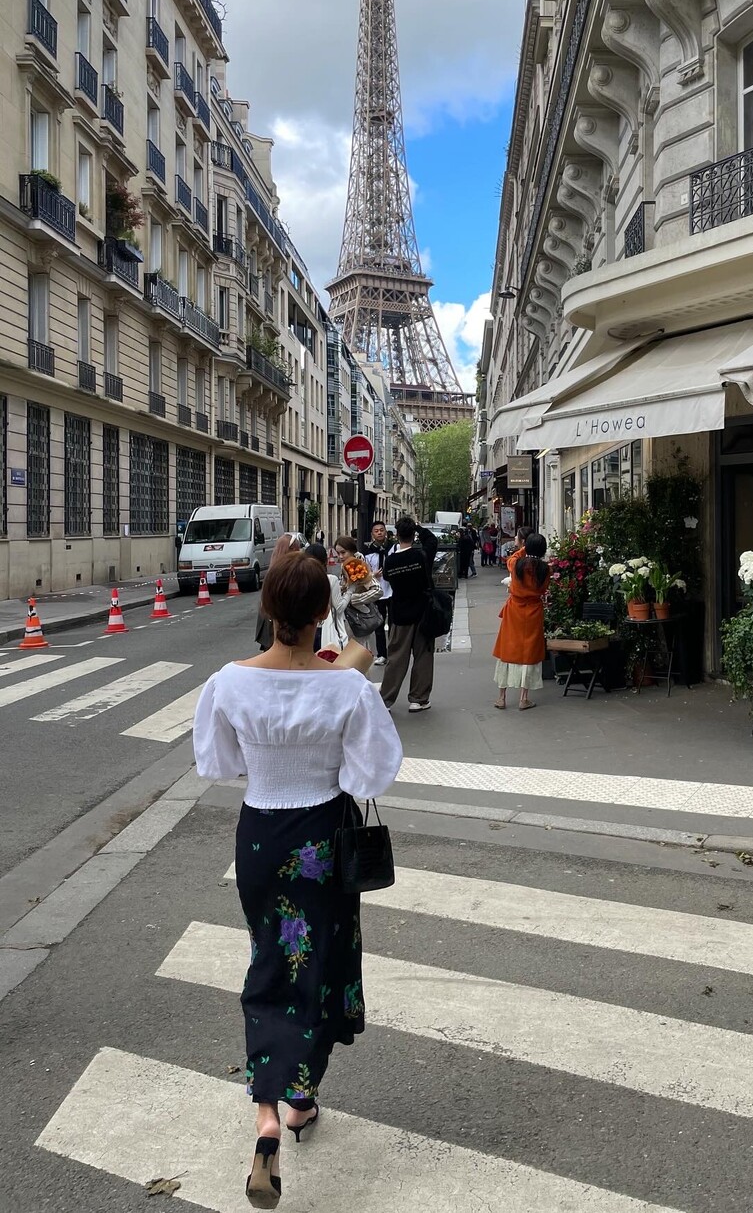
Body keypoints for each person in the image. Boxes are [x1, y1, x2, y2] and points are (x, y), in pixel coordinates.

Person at [193, 550, 402, 1210]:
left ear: (266, 608)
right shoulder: (346, 687)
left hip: (260, 835)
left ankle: (266, 1117)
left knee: (270, 961)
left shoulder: (228, 682)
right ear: (322, 613)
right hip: (322, 837)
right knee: (319, 964)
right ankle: (301, 1099)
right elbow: (371, 773)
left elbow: (217, 763)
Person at [379, 515, 439, 712]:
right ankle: (418, 699)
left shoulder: (390, 561)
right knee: (423, 656)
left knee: (396, 657)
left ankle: (385, 700)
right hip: (423, 613)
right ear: (414, 535)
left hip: (400, 614)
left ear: (397, 535)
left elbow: (387, 578)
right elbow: (432, 540)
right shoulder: (422, 556)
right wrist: (419, 527)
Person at [493, 533, 550, 711]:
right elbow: (544, 589)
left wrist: (525, 547)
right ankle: (523, 698)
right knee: (529, 653)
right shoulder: (545, 570)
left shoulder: (516, 564)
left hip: (514, 610)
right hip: (533, 611)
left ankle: (501, 697)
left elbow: (512, 557)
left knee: (507, 648)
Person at [254, 532, 303, 652]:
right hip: (279, 624)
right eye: (298, 549)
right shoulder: (288, 572)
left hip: (269, 621)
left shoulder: (272, 570)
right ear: (292, 550)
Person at [363, 521, 393, 666]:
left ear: (385, 532)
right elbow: (364, 573)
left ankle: (394, 653)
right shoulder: (368, 552)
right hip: (377, 592)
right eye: (376, 531)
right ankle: (382, 654)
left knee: (393, 624)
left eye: (382, 530)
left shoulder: (393, 548)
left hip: (392, 591)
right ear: (372, 534)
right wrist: (372, 575)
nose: (379, 533)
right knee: (379, 625)